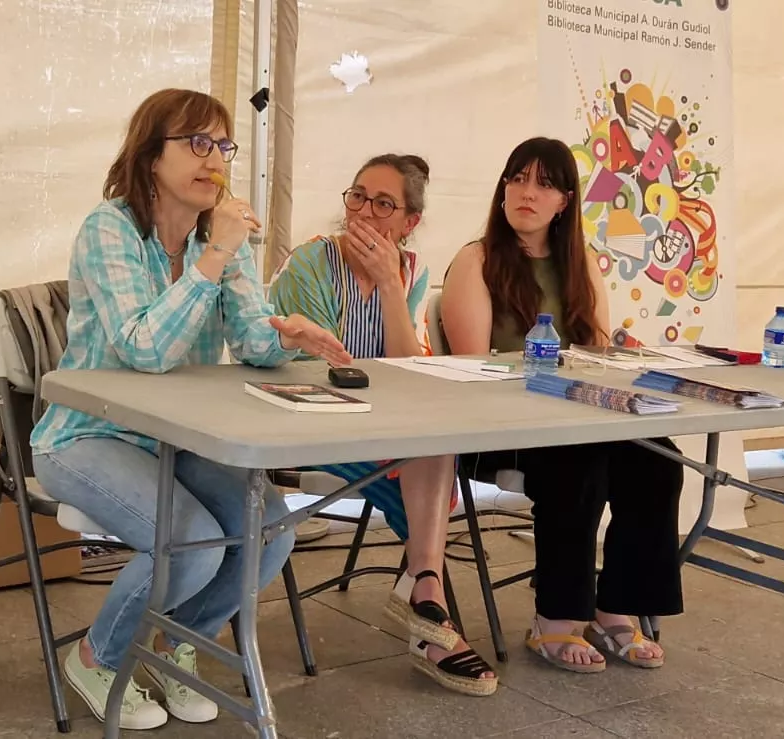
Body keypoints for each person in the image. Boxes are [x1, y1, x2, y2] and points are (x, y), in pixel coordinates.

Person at [29, 88, 351, 731]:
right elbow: (143, 349)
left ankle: (178, 645)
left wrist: (285, 334)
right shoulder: (110, 229)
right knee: (192, 544)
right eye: (196, 143)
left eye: (222, 145)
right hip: (88, 433)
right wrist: (214, 257)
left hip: (178, 438)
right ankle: (98, 656)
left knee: (270, 532)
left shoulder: (218, 238)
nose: (214, 160)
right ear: (152, 155)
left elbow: (252, 342)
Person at [438, 136, 684, 673]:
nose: (527, 193)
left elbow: (594, 351)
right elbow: (473, 367)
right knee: (581, 462)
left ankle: (614, 610)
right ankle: (552, 620)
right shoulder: (475, 260)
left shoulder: (581, 262)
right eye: (518, 179)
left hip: (573, 417)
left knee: (657, 460)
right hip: (498, 426)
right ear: (503, 187)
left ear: (565, 202)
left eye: (544, 184)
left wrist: (617, 356)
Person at [270, 154, 497, 696]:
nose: (364, 213)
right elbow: (328, 372)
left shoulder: (412, 271)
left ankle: (425, 591)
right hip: (300, 421)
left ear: (408, 223)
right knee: (426, 457)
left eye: (384, 204)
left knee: (433, 439)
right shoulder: (311, 264)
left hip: (380, 428)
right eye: (357, 196)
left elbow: (410, 372)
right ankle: (430, 606)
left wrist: (392, 288)